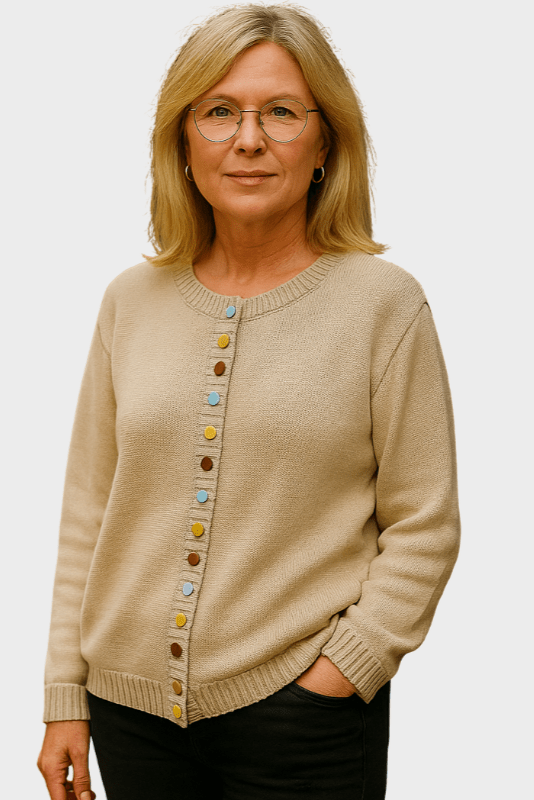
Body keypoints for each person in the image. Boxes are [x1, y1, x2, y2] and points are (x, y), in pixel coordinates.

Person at [37, 4, 461, 799]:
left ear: (325, 143)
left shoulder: (383, 306)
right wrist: (66, 693)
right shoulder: (130, 301)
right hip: (129, 717)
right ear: (183, 141)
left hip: (303, 722)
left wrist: (345, 671)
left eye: (282, 112)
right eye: (220, 112)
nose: (249, 139)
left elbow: (424, 522)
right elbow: (88, 514)